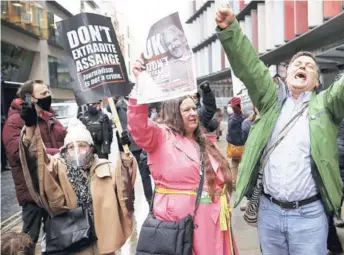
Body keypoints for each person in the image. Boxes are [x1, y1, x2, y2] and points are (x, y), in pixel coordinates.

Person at [215, 4, 344, 254]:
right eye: (296, 63)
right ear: (286, 73)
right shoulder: (269, 101)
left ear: (317, 81)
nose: (302, 66)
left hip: (309, 216)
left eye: (309, 66)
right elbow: (249, 68)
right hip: (269, 214)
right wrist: (231, 31)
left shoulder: (327, 104)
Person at [129, 59, 239, 254]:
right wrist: (140, 85)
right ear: (174, 113)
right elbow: (138, 126)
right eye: (186, 110)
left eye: (194, 108)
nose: (193, 113)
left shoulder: (202, 140)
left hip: (214, 224)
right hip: (183, 226)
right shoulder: (161, 136)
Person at [19, 116, 136, 254]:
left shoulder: (107, 168)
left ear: (91, 148)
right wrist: (31, 127)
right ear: (64, 150)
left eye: (82, 145)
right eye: (71, 147)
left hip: (103, 243)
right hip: (74, 244)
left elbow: (125, 189)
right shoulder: (58, 169)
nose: (76, 150)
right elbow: (38, 161)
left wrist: (124, 153)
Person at [2, 80, 67, 245]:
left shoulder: (51, 119)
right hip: (33, 193)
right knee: (29, 240)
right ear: (30, 98)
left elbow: (66, 143)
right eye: (43, 94)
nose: (48, 96)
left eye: (48, 92)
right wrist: (59, 153)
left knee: (59, 236)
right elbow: (17, 153)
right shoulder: (15, 122)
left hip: (54, 188)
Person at [226, 96, 248, 188]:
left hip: (232, 146)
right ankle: (244, 183)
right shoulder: (243, 118)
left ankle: (233, 182)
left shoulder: (231, 118)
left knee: (234, 165)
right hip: (242, 146)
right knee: (245, 165)